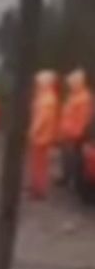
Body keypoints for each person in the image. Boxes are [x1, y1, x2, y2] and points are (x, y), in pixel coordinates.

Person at [28, 70, 60, 200]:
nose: (37, 84)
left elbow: (42, 118)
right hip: (44, 135)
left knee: (39, 163)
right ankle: (37, 187)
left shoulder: (47, 99)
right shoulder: (47, 97)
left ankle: (39, 190)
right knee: (39, 163)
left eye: (39, 82)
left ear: (45, 83)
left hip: (41, 136)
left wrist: (33, 130)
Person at [59, 69, 92, 189]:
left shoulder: (84, 98)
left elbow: (83, 119)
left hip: (74, 134)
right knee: (66, 157)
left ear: (79, 83)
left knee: (74, 158)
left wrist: (75, 134)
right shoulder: (74, 95)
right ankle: (66, 177)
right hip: (67, 132)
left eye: (72, 84)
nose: (70, 86)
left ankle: (73, 181)